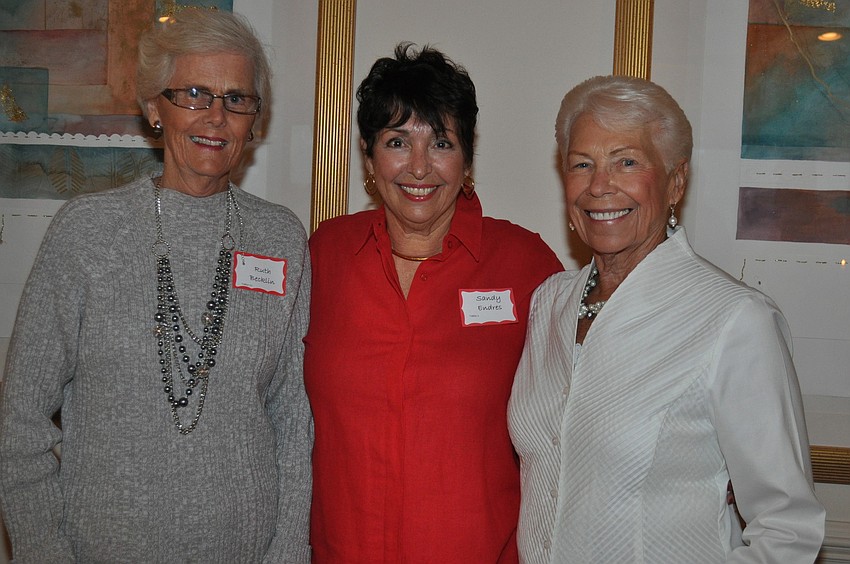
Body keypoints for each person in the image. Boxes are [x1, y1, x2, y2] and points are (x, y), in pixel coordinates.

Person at [0, 9, 312, 562]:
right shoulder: (87, 232)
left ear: (254, 120)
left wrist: (286, 552)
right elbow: (18, 425)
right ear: (154, 109)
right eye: (194, 93)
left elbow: (292, 420)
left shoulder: (280, 238)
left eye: (236, 99)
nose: (215, 116)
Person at [508, 75, 825, 563]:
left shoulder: (733, 320)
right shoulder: (549, 304)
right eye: (582, 164)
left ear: (676, 181)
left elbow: (787, 528)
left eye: (627, 162)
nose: (599, 185)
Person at [304, 43, 563, 563]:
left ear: (467, 157)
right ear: (368, 157)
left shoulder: (524, 264)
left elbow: (586, 398)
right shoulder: (323, 254)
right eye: (397, 141)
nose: (419, 167)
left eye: (441, 143)